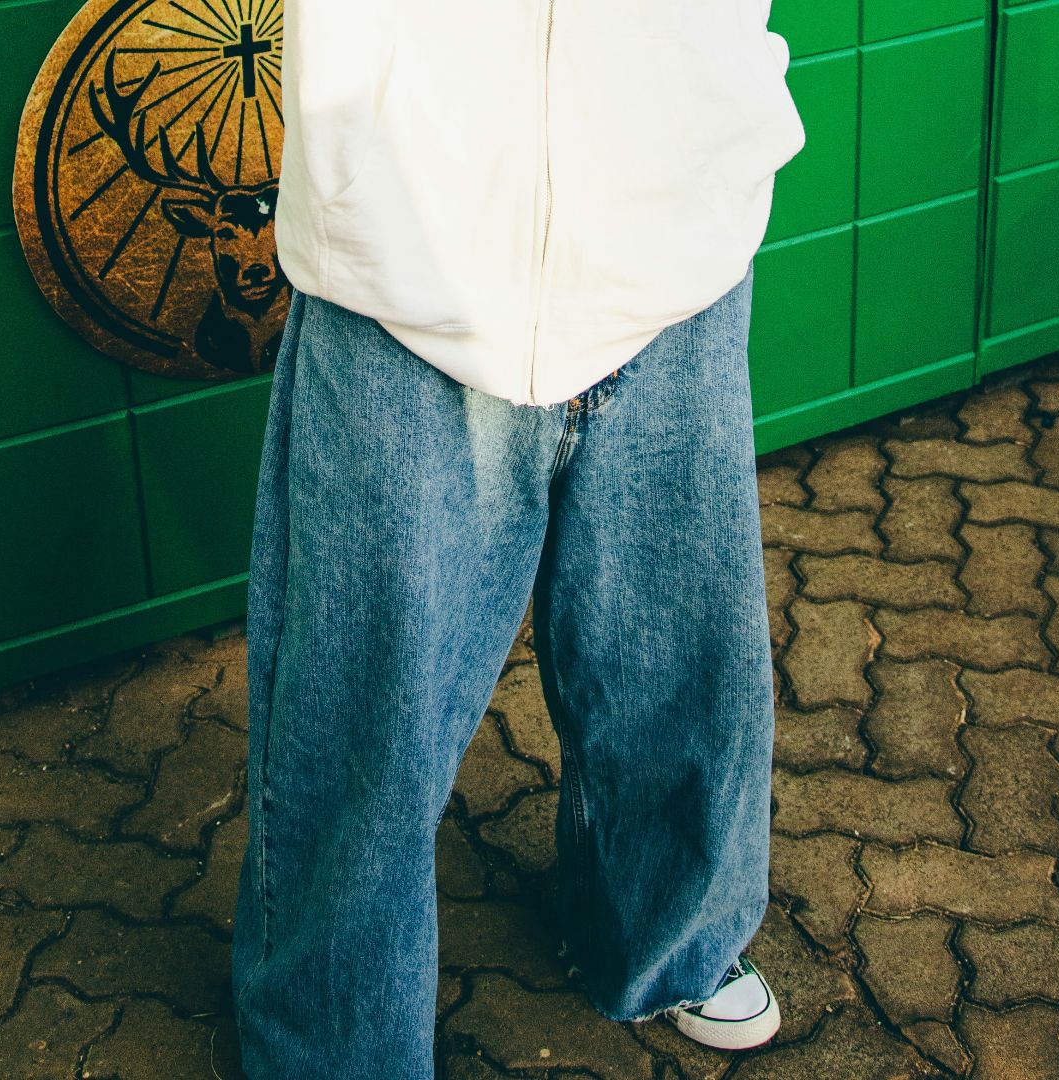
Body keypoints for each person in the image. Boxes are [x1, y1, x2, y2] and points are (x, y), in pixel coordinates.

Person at [229, 1, 808, 1075]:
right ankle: (329, 1042)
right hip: (409, 247)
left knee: (676, 647)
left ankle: (670, 936)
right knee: (366, 698)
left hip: (668, 218)